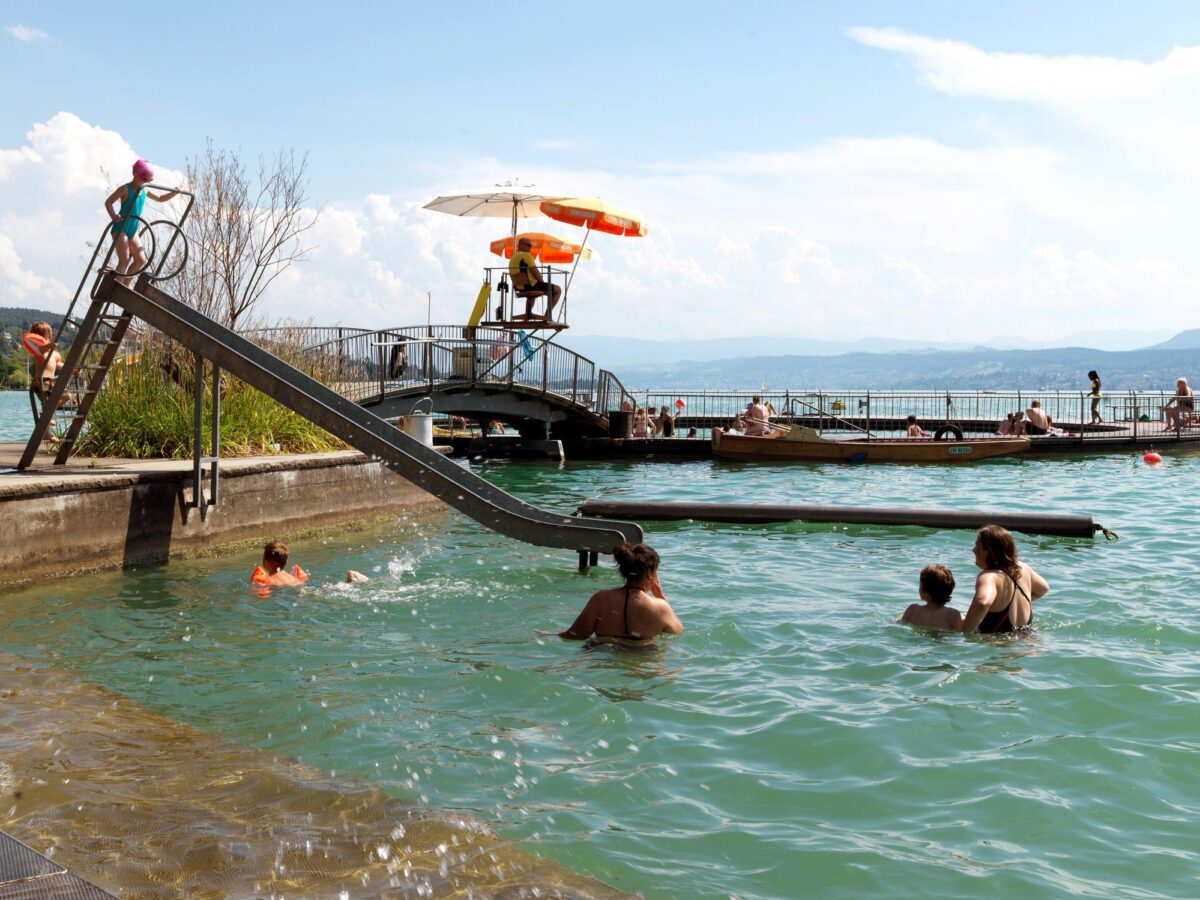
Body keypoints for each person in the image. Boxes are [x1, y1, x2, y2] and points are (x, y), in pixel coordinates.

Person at [551, 543, 683, 644]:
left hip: (600, 655)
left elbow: (576, 635)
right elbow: (677, 632)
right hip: (642, 660)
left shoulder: (601, 599)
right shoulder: (660, 607)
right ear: (651, 575)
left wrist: (548, 634)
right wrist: (660, 595)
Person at [960, 525, 1050, 634]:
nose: (973, 550)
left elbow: (982, 603)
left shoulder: (989, 577)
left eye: (977, 545)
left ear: (988, 550)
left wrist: (964, 632)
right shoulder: (1023, 568)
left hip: (999, 645)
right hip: (1028, 640)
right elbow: (1044, 588)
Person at [104, 160, 181, 286]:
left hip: (132, 229)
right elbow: (108, 202)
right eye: (145, 179)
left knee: (141, 260)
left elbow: (160, 199)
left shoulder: (144, 190)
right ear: (136, 175)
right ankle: (117, 286)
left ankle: (125, 286)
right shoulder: (125, 189)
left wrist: (174, 193)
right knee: (124, 260)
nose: (147, 182)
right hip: (121, 227)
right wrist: (113, 216)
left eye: (149, 180)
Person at [507, 237, 562, 320]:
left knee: (532, 294)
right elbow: (536, 272)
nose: (530, 247)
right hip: (531, 285)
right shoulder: (526, 255)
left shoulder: (513, 258)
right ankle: (547, 316)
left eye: (530, 245)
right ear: (520, 245)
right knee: (557, 290)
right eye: (528, 245)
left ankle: (527, 314)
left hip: (519, 287)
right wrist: (542, 283)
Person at [900, 564, 962, 631]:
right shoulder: (953, 615)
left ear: (926, 593)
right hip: (940, 640)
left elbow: (900, 624)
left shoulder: (912, 610)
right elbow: (957, 636)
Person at [23, 321, 64, 402]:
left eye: (50, 337)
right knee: (47, 400)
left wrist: (74, 371)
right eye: (48, 337)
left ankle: (50, 409)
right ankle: (46, 410)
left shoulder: (53, 354)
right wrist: (49, 346)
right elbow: (41, 349)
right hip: (40, 381)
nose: (49, 339)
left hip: (51, 382)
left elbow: (62, 366)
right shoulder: (39, 351)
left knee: (67, 396)